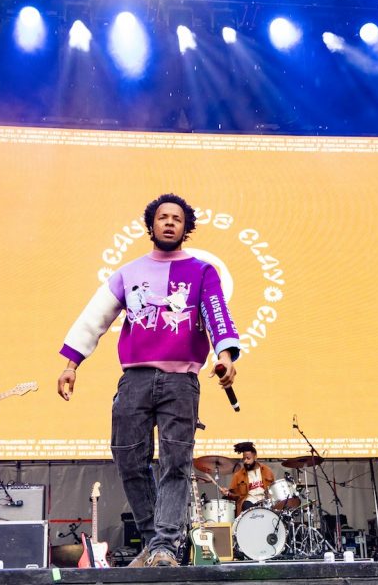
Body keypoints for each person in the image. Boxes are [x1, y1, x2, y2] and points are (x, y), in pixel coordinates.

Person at [57, 193, 240, 568]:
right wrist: (71, 363)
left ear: (186, 228)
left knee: (176, 463)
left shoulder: (203, 272)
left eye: (176, 218)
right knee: (127, 456)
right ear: (151, 225)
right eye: (162, 217)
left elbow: (217, 311)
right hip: (135, 380)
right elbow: (96, 317)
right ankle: (157, 542)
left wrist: (225, 356)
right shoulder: (128, 272)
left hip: (180, 382)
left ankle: (164, 549)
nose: (169, 222)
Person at [219, 442, 275, 515]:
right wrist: (227, 493)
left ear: (255, 457)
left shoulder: (267, 471)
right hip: (248, 503)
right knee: (246, 505)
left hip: (265, 502)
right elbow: (235, 496)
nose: (245, 461)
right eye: (244, 459)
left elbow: (273, 490)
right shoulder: (238, 475)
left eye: (248, 458)